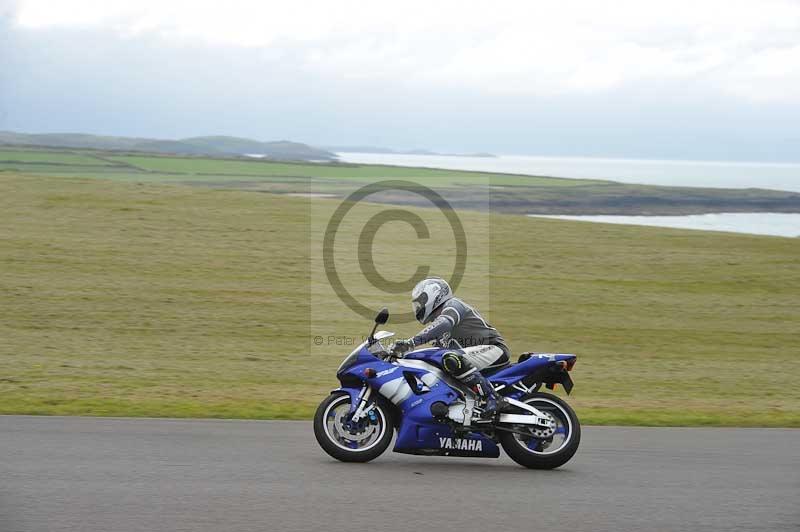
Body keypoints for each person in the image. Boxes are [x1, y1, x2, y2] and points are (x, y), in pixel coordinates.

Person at [392, 277, 510, 418]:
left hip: (494, 348)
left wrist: (411, 343)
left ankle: (493, 398)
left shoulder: (453, 305)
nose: (419, 307)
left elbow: (445, 323)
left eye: (422, 302)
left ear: (435, 295)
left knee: (450, 358)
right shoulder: (439, 330)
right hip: (472, 360)